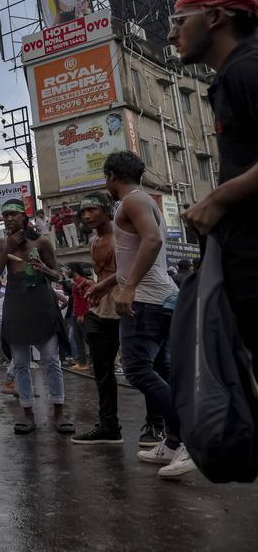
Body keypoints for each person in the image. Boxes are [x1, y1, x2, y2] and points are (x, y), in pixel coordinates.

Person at [174, 0, 258, 380]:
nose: (172, 35)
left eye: (179, 21)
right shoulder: (230, 76)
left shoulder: (247, 69)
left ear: (214, 17)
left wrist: (219, 198)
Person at [103, 151, 196, 478]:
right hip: (156, 297)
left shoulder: (132, 201)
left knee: (138, 370)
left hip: (145, 300)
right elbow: (136, 253)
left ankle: (190, 439)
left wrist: (128, 289)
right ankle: (172, 442)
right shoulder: (142, 201)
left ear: (111, 175)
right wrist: (108, 285)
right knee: (159, 368)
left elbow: (154, 240)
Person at [0, 199, 72, 435]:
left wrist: (42, 269)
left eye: (13, 214)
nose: (8, 218)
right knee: (21, 364)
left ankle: (59, 411)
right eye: (5, 215)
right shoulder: (2, 243)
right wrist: (6, 251)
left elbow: (57, 275)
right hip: (16, 304)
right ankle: (27, 414)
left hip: (41, 303)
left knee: (51, 360)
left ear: (24, 217)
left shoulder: (41, 242)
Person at [72, 192, 124, 445]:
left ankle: (159, 426)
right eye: (83, 212)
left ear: (106, 209)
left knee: (141, 370)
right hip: (100, 310)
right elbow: (101, 275)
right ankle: (109, 425)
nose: (87, 216)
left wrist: (102, 286)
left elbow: (129, 270)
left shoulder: (122, 235)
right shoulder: (93, 241)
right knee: (102, 371)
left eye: (92, 210)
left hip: (126, 307)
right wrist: (95, 288)